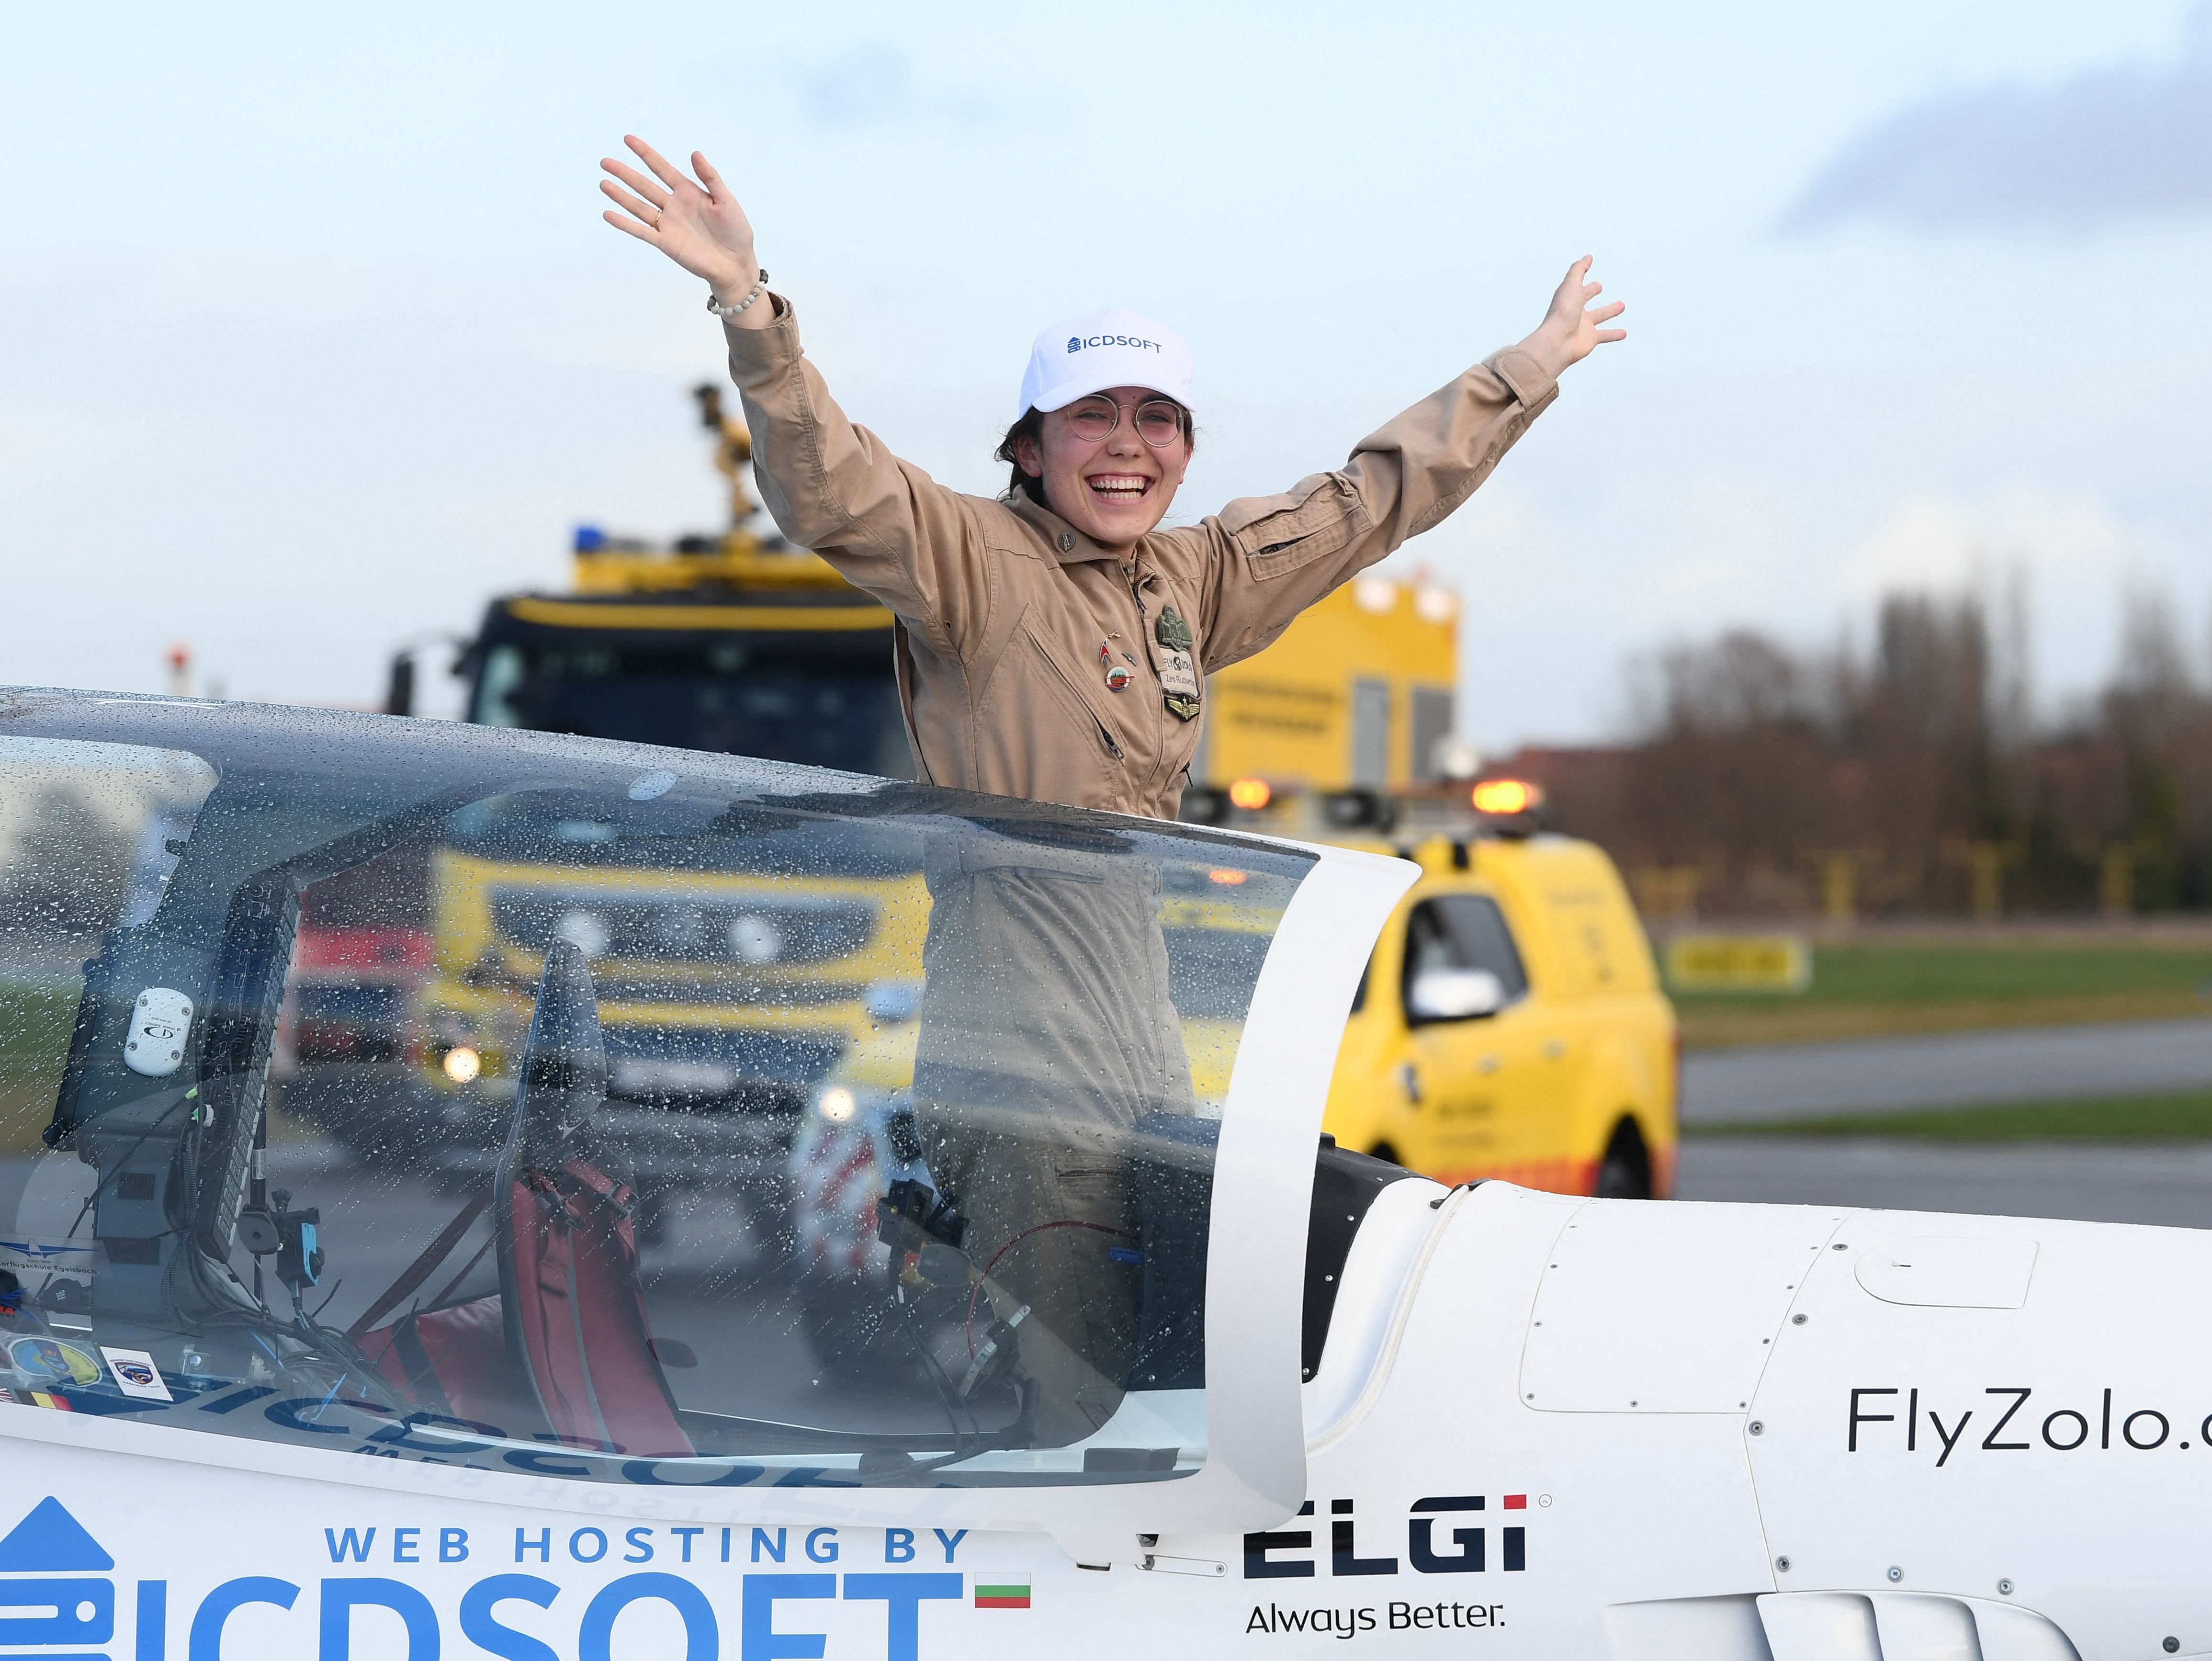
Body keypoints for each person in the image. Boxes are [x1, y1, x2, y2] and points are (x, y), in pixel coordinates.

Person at [597, 133, 1623, 1446]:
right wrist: (751, 307)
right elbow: (831, 486)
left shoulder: (1187, 584)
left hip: (1145, 1067)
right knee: (1065, 1409)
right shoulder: (976, 563)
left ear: (1186, 449)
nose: (1126, 446)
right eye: (1094, 418)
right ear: (1031, 445)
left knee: (1173, 1389)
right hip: (1014, 1075)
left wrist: (1523, 369)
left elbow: (1371, 499)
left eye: (1157, 420)